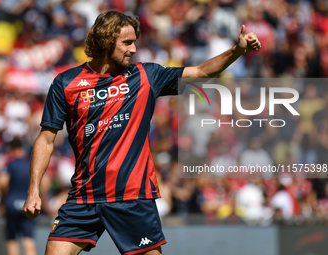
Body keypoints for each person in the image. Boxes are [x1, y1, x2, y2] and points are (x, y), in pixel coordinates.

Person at [22, 10, 261, 255]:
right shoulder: (65, 83)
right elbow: (46, 139)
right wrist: (33, 191)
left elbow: (201, 72)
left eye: (134, 41)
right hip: (84, 197)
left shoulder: (146, 75)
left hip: (132, 197)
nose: (134, 49)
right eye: (127, 42)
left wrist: (238, 51)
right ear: (105, 41)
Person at [0, 137, 37, 255]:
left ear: (12, 148)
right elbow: (45, 182)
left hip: (12, 204)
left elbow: (2, 182)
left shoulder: (11, 163)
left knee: (11, 239)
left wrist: (5, 195)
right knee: (28, 238)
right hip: (28, 204)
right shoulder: (30, 164)